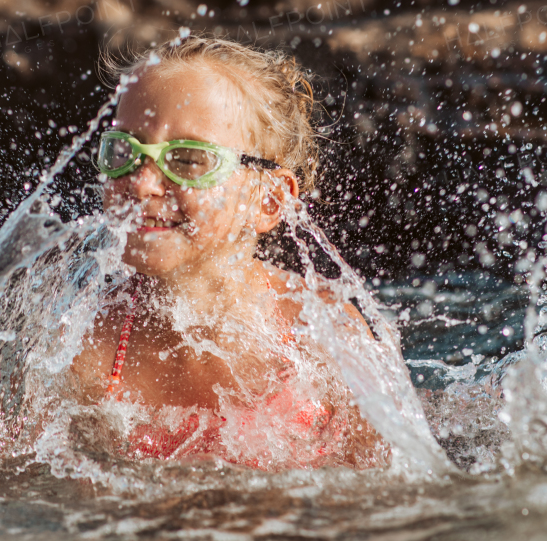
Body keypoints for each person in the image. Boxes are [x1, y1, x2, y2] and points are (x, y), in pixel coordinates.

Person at [68, 35, 385, 469]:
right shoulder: (89, 350)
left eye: (188, 159)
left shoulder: (321, 328)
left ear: (269, 199)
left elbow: (389, 490)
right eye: (124, 151)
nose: (141, 184)